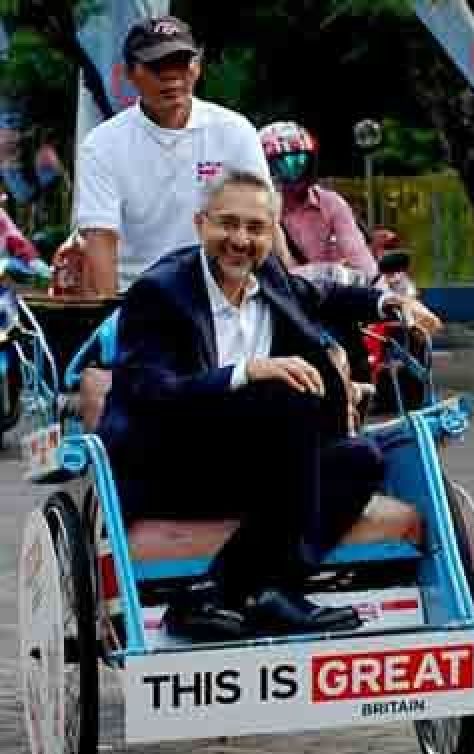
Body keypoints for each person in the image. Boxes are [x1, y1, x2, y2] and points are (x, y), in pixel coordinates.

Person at [96, 169, 417, 641]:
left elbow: (322, 293)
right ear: (200, 222)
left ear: (272, 234)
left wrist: (389, 304)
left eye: (256, 228)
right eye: (228, 224)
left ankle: (231, 593)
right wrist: (246, 373)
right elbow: (150, 395)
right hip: (174, 466)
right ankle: (271, 592)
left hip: (261, 472)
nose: (241, 240)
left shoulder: (269, 276)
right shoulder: (160, 292)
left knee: (361, 459)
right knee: (287, 394)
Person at [63, 15, 271, 296]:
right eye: (156, 66)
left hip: (219, 293)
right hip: (137, 294)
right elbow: (100, 240)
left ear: (197, 67)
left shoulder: (236, 132)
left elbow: (264, 223)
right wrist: (112, 322)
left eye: (181, 63)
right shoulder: (102, 145)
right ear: (129, 73)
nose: (172, 76)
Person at [259, 121, 379, 283]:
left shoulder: (330, 203)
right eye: (283, 166)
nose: (296, 173)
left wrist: (378, 287)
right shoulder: (257, 210)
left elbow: (361, 260)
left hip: (328, 296)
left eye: (302, 163)